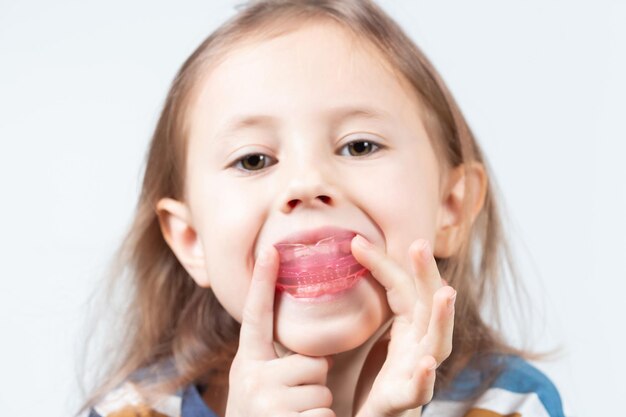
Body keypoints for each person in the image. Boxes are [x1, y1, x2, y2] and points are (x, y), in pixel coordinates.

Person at [77, 1, 566, 416]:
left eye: (358, 147)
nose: (307, 183)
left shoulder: (507, 403)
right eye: (254, 159)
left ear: (451, 207)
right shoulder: (135, 409)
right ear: (191, 241)